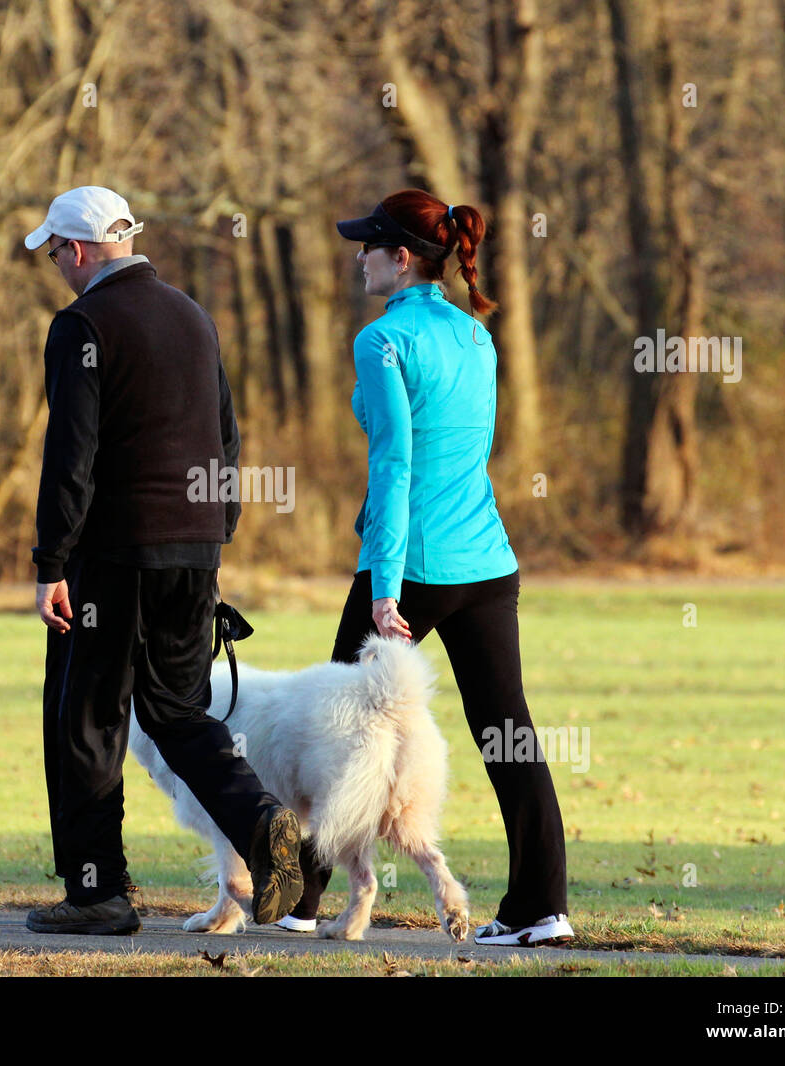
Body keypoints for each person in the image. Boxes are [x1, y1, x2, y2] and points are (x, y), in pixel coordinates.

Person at [280, 189, 572, 946]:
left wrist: (383, 588)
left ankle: (301, 900)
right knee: (507, 730)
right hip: (486, 563)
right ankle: (543, 909)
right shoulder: (478, 337)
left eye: (368, 246)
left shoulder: (381, 342)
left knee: (330, 722)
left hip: (409, 565)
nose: (359, 258)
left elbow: (396, 465)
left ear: (401, 258)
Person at [23, 186, 303, 936]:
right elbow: (226, 432)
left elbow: (70, 458)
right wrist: (218, 527)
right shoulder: (191, 315)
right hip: (194, 548)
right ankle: (262, 819)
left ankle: (99, 893)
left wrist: (50, 562)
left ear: (78, 250)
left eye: (53, 250)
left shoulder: (82, 324)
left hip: (114, 556)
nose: (53, 263)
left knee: (85, 718)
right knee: (178, 712)